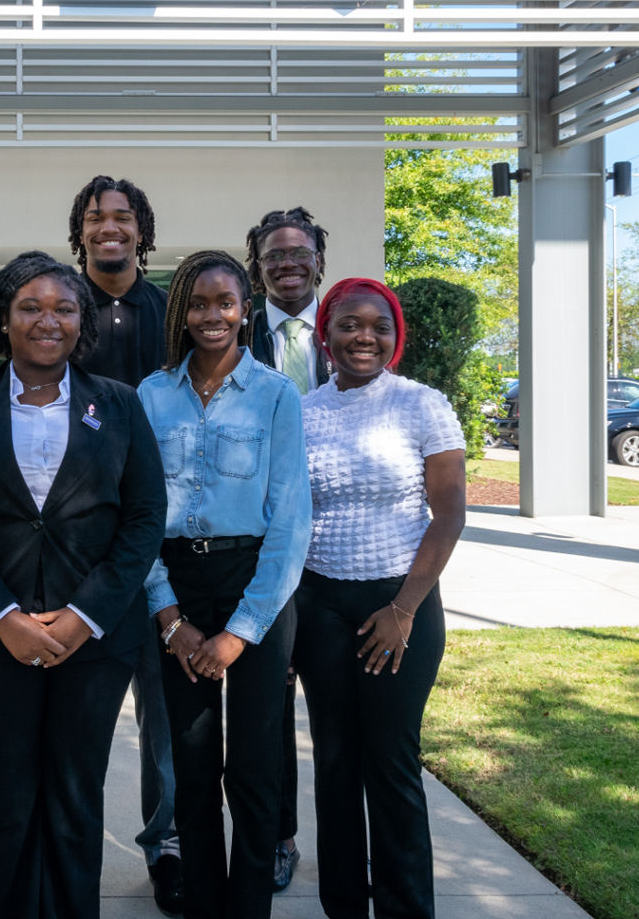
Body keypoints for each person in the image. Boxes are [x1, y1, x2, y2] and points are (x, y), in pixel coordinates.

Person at [0, 251, 167, 919]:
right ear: (1, 318)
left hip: (93, 638)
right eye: (28, 306)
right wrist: (1, 615)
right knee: (2, 796)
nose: (46, 320)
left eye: (62, 307)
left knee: (73, 795)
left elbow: (144, 519)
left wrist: (83, 614)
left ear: (81, 320)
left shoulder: (114, 404)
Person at [137, 251, 312, 919]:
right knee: (190, 758)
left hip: (255, 582)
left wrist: (240, 633)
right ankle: (205, 903)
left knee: (255, 764)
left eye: (225, 302)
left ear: (246, 309)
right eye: (199, 303)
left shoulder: (275, 395)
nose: (212, 315)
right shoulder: (152, 395)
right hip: (179, 582)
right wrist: (169, 617)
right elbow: (142, 517)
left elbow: (291, 521)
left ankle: (247, 908)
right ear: (181, 310)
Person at [296, 278, 467, 919]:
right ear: (327, 335)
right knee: (335, 763)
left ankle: (404, 907)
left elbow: (448, 515)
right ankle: (344, 905)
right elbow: (293, 518)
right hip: (319, 604)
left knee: (391, 761)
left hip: (401, 603)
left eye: (379, 325)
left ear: (395, 338)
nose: (363, 336)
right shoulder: (304, 411)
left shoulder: (422, 406)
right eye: (348, 324)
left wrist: (403, 609)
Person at [65, 174, 183, 914]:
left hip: (161, 532)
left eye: (122, 217)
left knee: (164, 708)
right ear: (78, 232)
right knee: (77, 713)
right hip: (75, 539)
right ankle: (69, 844)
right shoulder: (56, 302)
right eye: (94, 217)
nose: (108, 227)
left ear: (141, 229)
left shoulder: (171, 310)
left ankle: (167, 843)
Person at [241, 205, 331, 892]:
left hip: (335, 553)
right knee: (268, 706)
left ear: (318, 263)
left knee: (333, 705)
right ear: (258, 268)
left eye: (298, 253)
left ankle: (346, 832)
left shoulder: (352, 332)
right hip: (261, 547)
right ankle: (277, 836)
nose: (287, 264)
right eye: (273, 255)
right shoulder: (230, 336)